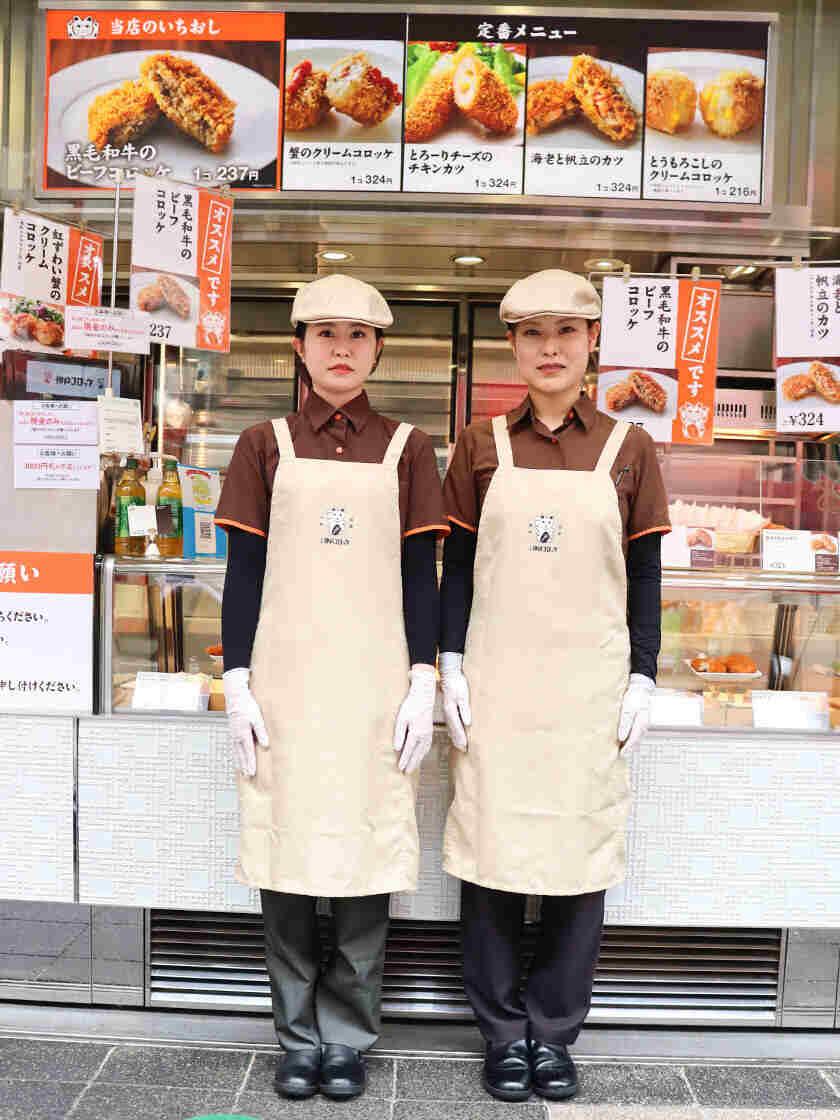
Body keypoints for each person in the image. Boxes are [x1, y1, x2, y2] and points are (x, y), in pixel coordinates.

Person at [438, 269, 670, 1103]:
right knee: (493, 860)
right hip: (497, 684)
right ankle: (501, 1035)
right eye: (532, 334)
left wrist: (644, 674)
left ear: (591, 344)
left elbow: (645, 572)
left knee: (577, 864)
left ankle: (556, 1034)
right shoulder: (478, 444)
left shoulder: (628, 447)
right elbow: (455, 567)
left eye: (565, 333)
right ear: (512, 345)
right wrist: (449, 664)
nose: (549, 349)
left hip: (588, 689)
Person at [215, 274, 448, 1102]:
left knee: (363, 857)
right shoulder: (263, 443)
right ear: (299, 348)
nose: (341, 349)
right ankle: (295, 1036)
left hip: (374, 686)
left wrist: (424, 677)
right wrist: (236, 679)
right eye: (325, 334)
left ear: (379, 349)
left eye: (357, 335)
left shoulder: (408, 448)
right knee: (285, 856)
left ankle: (346, 1036)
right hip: (283, 682)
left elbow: (423, 577)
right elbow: (242, 573)